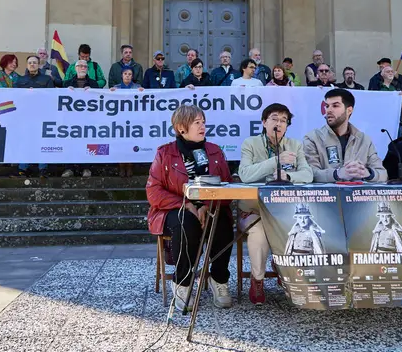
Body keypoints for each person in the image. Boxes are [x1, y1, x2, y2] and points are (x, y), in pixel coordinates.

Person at [146, 105, 234, 311]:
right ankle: (182, 283)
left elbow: (227, 185)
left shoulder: (214, 151)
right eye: (197, 123)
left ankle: (219, 280)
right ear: (181, 127)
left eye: (203, 122)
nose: (203, 126)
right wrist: (186, 205)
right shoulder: (165, 153)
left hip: (211, 206)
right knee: (188, 224)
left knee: (222, 224)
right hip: (173, 210)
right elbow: (154, 192)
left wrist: (204, 205)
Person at [238, 103, 312, 304]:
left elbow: (307, 174)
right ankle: (258, 279)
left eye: (283, 120)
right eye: (274, 119)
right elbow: (244, 175)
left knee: (302, 228)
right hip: (254, 209)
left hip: (284, 210)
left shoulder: (294, 145)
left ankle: (286, 273)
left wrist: (288, 175)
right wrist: (274, 163)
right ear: (264, 122)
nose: (279, 123)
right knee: (259, 232)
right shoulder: (250, 143)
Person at [303, 88, 387, 182]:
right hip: (328, 195)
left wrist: (366, 173)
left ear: (349, 110)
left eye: (335, 106)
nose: (328, 110)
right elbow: (310, 174)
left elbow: (383, 174)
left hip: (356, 195)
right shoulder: (313, 138)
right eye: (327, 106)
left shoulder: (364, 140)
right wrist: (337, 174)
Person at [16, 55, 55, 177]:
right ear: (27, 65)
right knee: (25, 142)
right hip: (25, 116)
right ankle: (23, 168)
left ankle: (43, 168)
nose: (32, 64)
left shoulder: (47, 79)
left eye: (34, 62)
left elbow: (51, 96)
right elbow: (15, 97)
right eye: (30, 62)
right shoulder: (20, 80)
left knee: (42, 141)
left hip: (41, 115)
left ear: (38, 64)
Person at [61, 60, 98, 178]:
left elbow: (99, 98)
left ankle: (86, 168)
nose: (83, 68)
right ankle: (69, 168)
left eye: (85, 66)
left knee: (87, 143)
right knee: (70, 143)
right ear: (75, 68)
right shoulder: (67, 84)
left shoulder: (94, 84)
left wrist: (92, 91)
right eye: (80, 66)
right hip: (71, 120)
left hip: (88, 119)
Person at [110, 67, 144, 177]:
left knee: (131, 142)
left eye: (130, 74)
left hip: (133, 120)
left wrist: (143, 92)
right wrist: (110, 93)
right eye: (125, 73)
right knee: (120, 143)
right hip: (120, 120)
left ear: (132, 76)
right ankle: (121, 166)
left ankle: (129, 166)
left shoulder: (137, 87)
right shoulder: (116, 88)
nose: (128, 76)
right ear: (122, 75)